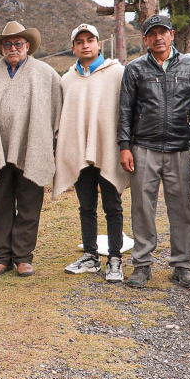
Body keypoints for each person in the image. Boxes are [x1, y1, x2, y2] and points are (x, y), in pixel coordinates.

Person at [0, 21, 62, 278]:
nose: (13, 48)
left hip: (32, 149)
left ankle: (23, 258)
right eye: (8, 44)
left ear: (27, 46)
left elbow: (58, 112)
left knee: (29, 205)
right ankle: (2, 257)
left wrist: (52, 145)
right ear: (1, 48)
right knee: (2, 205)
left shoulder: (45, 73)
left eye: (18, 43)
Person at [118, 14, 190, 289]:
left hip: (180, 149)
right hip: (143, 147)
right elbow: (124, 112)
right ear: (145, 39)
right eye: (152, 33)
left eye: (163, 32)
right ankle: (142, 266)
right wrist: (124, 147)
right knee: (142, 208)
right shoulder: (134, 69)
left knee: (182, 209)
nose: (158, 37)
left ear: (172, 35)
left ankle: (183, 266)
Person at [53, 24, 129, 283]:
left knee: (112, 205)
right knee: (86, 206)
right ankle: (90, 256)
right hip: (81, 152)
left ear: (98, 44)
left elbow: (125, 111)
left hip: (108, 149)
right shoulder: (67, 79)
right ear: (73, 47)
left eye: (90, 40)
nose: (85, 45)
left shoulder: (117, 73)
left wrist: (126, 146)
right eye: (80, 41)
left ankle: (115, 258)